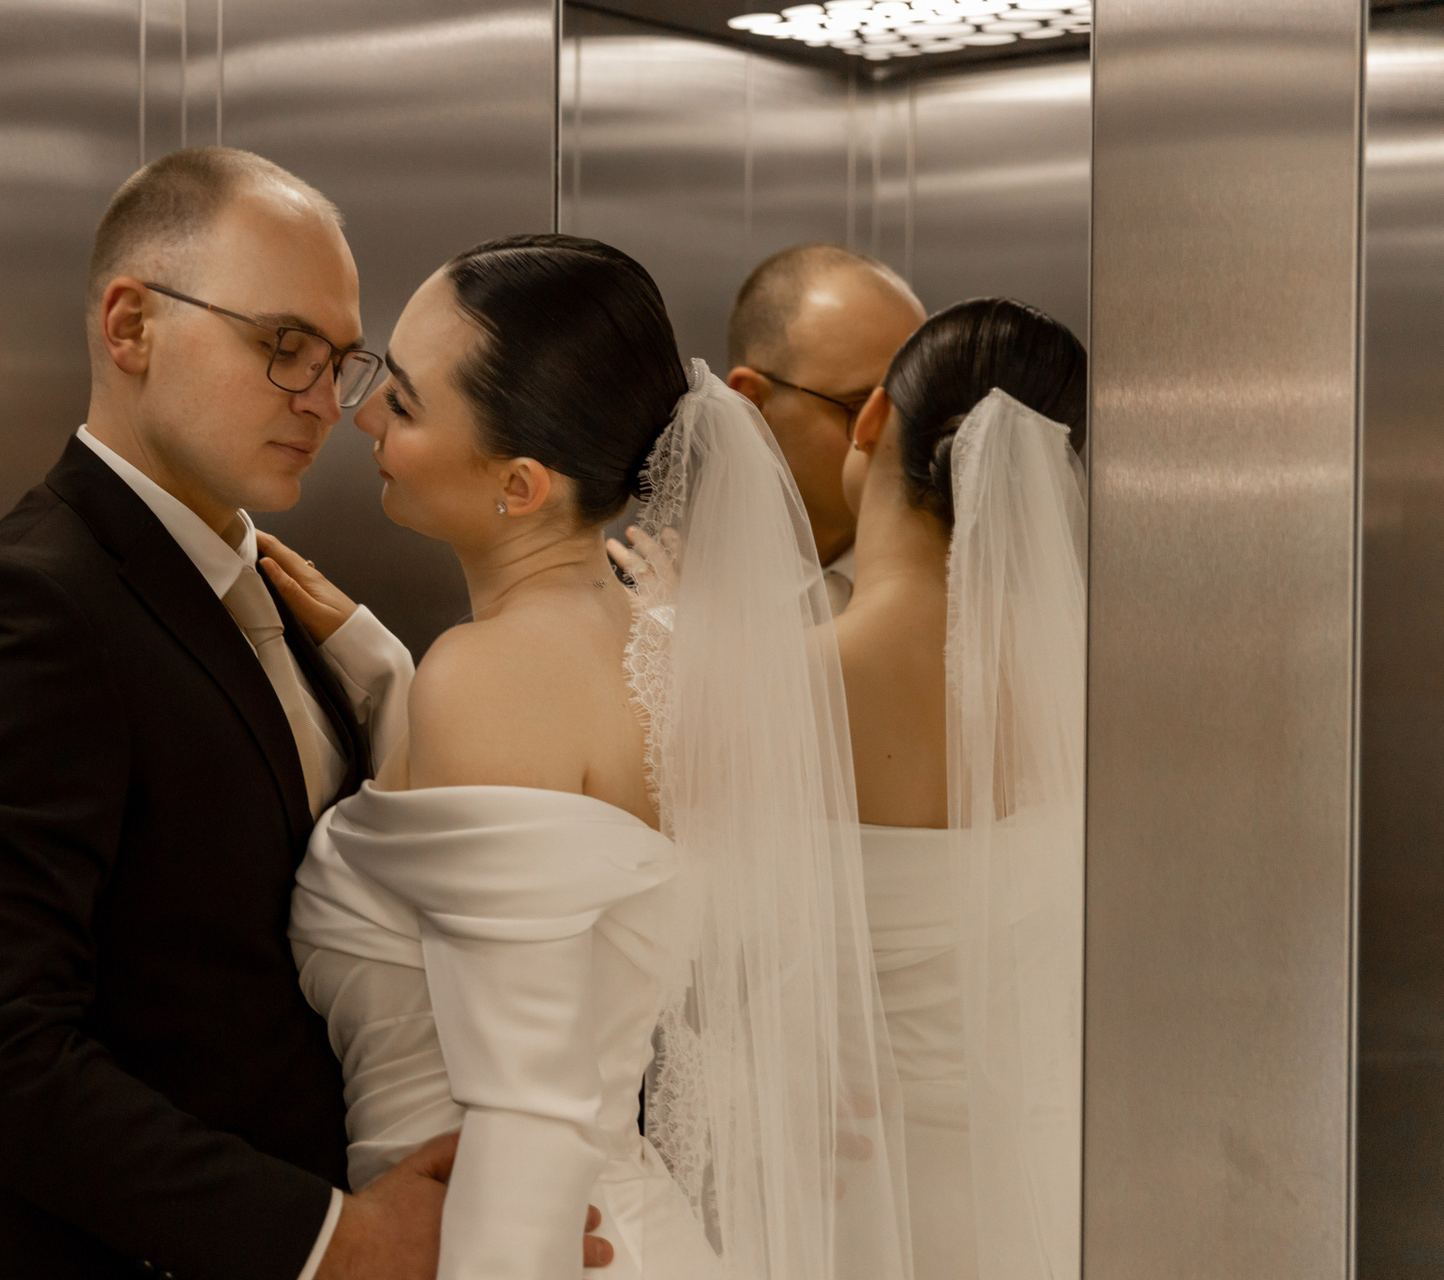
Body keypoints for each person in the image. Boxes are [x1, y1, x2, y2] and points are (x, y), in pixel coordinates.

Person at [0, 147, 612, 1280]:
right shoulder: (36, 599)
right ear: (131, 327)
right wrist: (331, 1239)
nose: (324, 403)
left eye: (340, 361)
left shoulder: (279, 597)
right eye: (282, 346)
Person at [270, 234, 912, 1280]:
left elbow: (527, 1114)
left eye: (406, 403)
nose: (364, 414)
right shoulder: (652, 650)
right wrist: (375, 657)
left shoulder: (487, 677)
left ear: (520, 484)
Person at [835, 298, 1089, 1280]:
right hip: (1040, 1192)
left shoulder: (775, 683)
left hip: (849, 1193)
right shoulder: (1087, 692)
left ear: (871, 418)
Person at [725, 244, 926, 613]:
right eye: (858, 406)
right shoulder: (660, 592)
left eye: (916, 407)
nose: (903, 441)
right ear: (752, 404)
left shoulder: (965, 593)